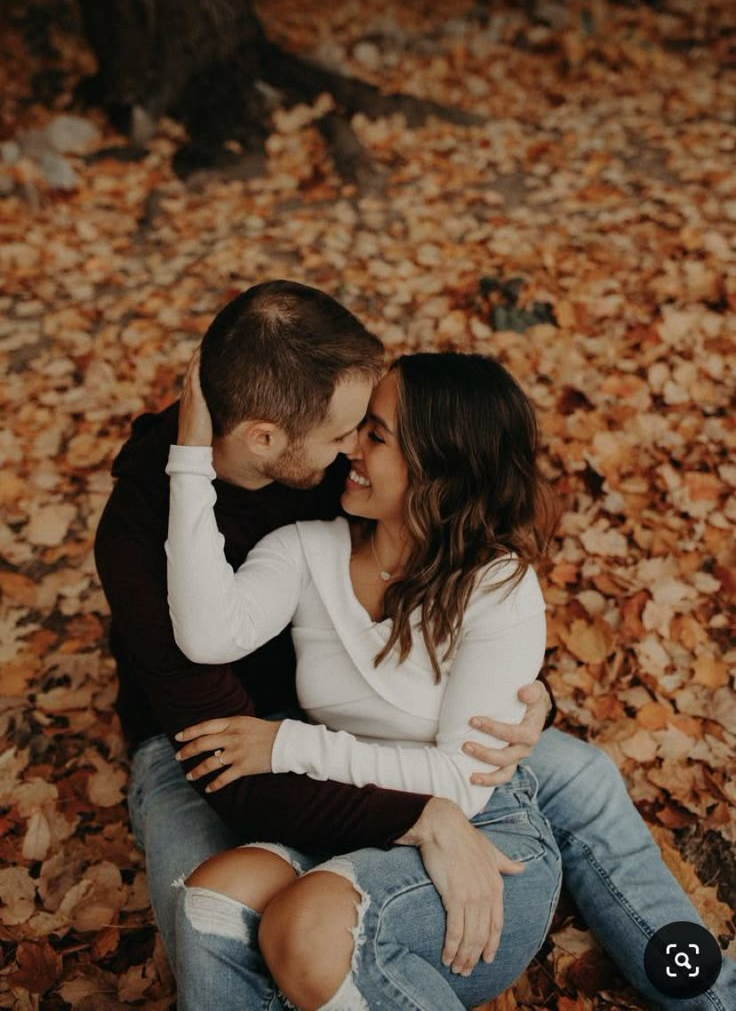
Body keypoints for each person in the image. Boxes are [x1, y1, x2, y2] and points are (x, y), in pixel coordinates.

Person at [95, 280, 734, 1011]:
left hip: (376, 739)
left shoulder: (345, 471)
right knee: (207, 910)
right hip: (224, 745)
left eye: (370, 432)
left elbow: (463, 592)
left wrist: (525, 696)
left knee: (581, 777)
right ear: (266, 439)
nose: (351, 452)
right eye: (349, 434)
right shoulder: (154, 532)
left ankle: (709, 995)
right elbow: (239, 758)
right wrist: (419, 814)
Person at [166, 349, 563, 1009]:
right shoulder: (306, 550)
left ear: (438, 463)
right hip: (351, 821)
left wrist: (287, 746)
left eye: (375, 435)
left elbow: (457, 785)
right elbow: (207, 634)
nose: (350, 445)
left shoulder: (498, 587)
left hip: (485, 847)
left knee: (308, 922)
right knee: (214, 894)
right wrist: (189, 458)